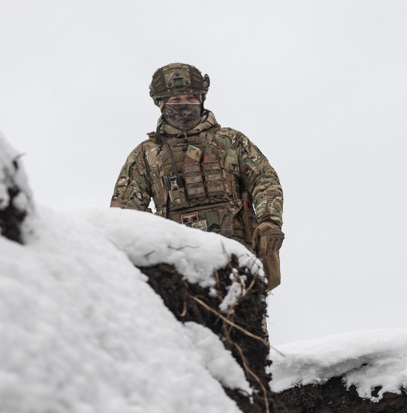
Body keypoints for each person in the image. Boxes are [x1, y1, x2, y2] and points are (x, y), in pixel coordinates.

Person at [111, 63, 284, 289]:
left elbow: (265, 180)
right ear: (161, 102)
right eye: (175, 100)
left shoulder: (231, 141)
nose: (184, 105)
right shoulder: (146, 154)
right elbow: (124, 212)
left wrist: (269, 221)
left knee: (243, 324)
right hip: (177, 270)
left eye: (191, 98)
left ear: (202, 97)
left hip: (237, 260)